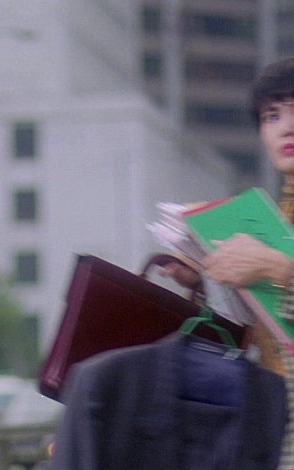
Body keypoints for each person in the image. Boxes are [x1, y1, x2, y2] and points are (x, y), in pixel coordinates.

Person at [164, 56, 294, 469]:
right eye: (272, 115)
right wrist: (207, 278)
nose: (286, 127)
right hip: (278, 418)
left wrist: (278, 268)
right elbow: (271, 328)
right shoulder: (275, 216)